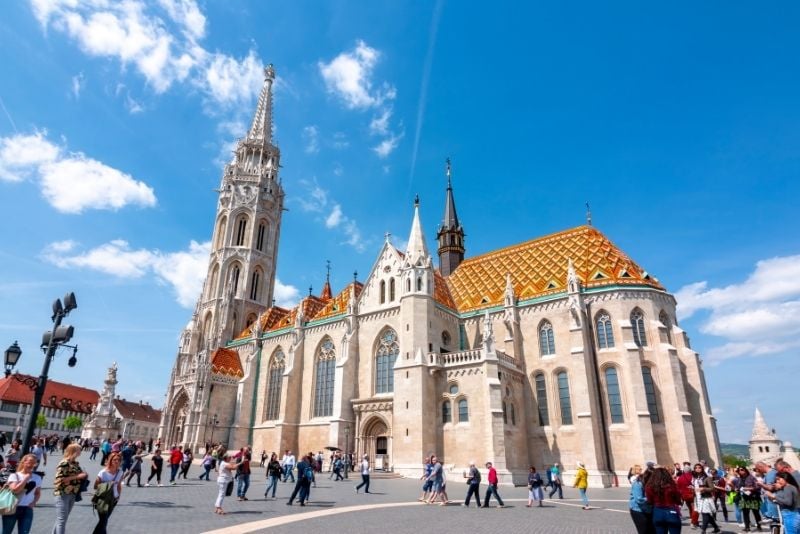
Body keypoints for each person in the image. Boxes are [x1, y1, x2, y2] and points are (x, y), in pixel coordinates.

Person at [52, 443, 88, 534]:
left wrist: (84, 475)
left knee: (62, 518)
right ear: (73, 451)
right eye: (79, 450)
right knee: (62, 520)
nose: (80, 452)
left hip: (72, 493)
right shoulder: (64, 463)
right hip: (62, 493)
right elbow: (59, 479)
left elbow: (79, 475)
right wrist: (78, 476)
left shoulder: (75, 463)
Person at [3, 454, 41, 534]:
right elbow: (15, 490)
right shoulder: (14, 476)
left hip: (27, 509)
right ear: (23, 462)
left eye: (34, 463)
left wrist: (33, 503)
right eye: (30, 462)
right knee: (6, 532)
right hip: (12, 508)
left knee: (24, 532)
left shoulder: (37, 477)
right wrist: (26, 479)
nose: (31, 465)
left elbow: (37, 493)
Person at [93, 451, 124, 534]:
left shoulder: (120, 472)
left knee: (104, 521)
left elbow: (119, 485)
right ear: (110, 460)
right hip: (103, 499)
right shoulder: (103, 472)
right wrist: (108, 484)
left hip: (113, 499)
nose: (117, 461)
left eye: (119, 460)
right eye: (115, 460)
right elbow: (95, 486)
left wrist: (118, 496)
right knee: (103, 521)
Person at [646, 466, 682, 534]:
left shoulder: (649, 487)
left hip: (658, 511)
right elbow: (678, 499)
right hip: (671, 511)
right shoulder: (671, 485)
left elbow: (650, 501)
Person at [691, 463, 720, 534]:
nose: (697, 469)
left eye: (699, 467)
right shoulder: (694, 478)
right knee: (706, 514)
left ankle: (703, 530)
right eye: (696, 468)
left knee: (705, 514)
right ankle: (716, 527)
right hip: (698, 498)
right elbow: (696, 488)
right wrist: (692, 488)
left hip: (705, 498)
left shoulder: (707, 478)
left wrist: (703, 488)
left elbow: (712, 488)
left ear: (702, 469)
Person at [735, 466, 763, 532]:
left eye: (742, 470)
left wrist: (747, 488)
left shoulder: (751, 477)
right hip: (744, 498)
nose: (740, 471)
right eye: (739, 470)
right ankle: (747, 527)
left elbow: (757, 487)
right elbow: (738, 487)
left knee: (756, 513)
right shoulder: (739, 479)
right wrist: (737, 489)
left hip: (753, 497)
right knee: (745, 513)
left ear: (745, 470)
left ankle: (759, 526)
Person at [629, 465, 654, 534]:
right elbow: (639, 499)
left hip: (649, 510)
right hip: (638, 510)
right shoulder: (638, 483)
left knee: (652, 530)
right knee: (644, 531)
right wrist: (651, 498)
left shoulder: (650, 483)